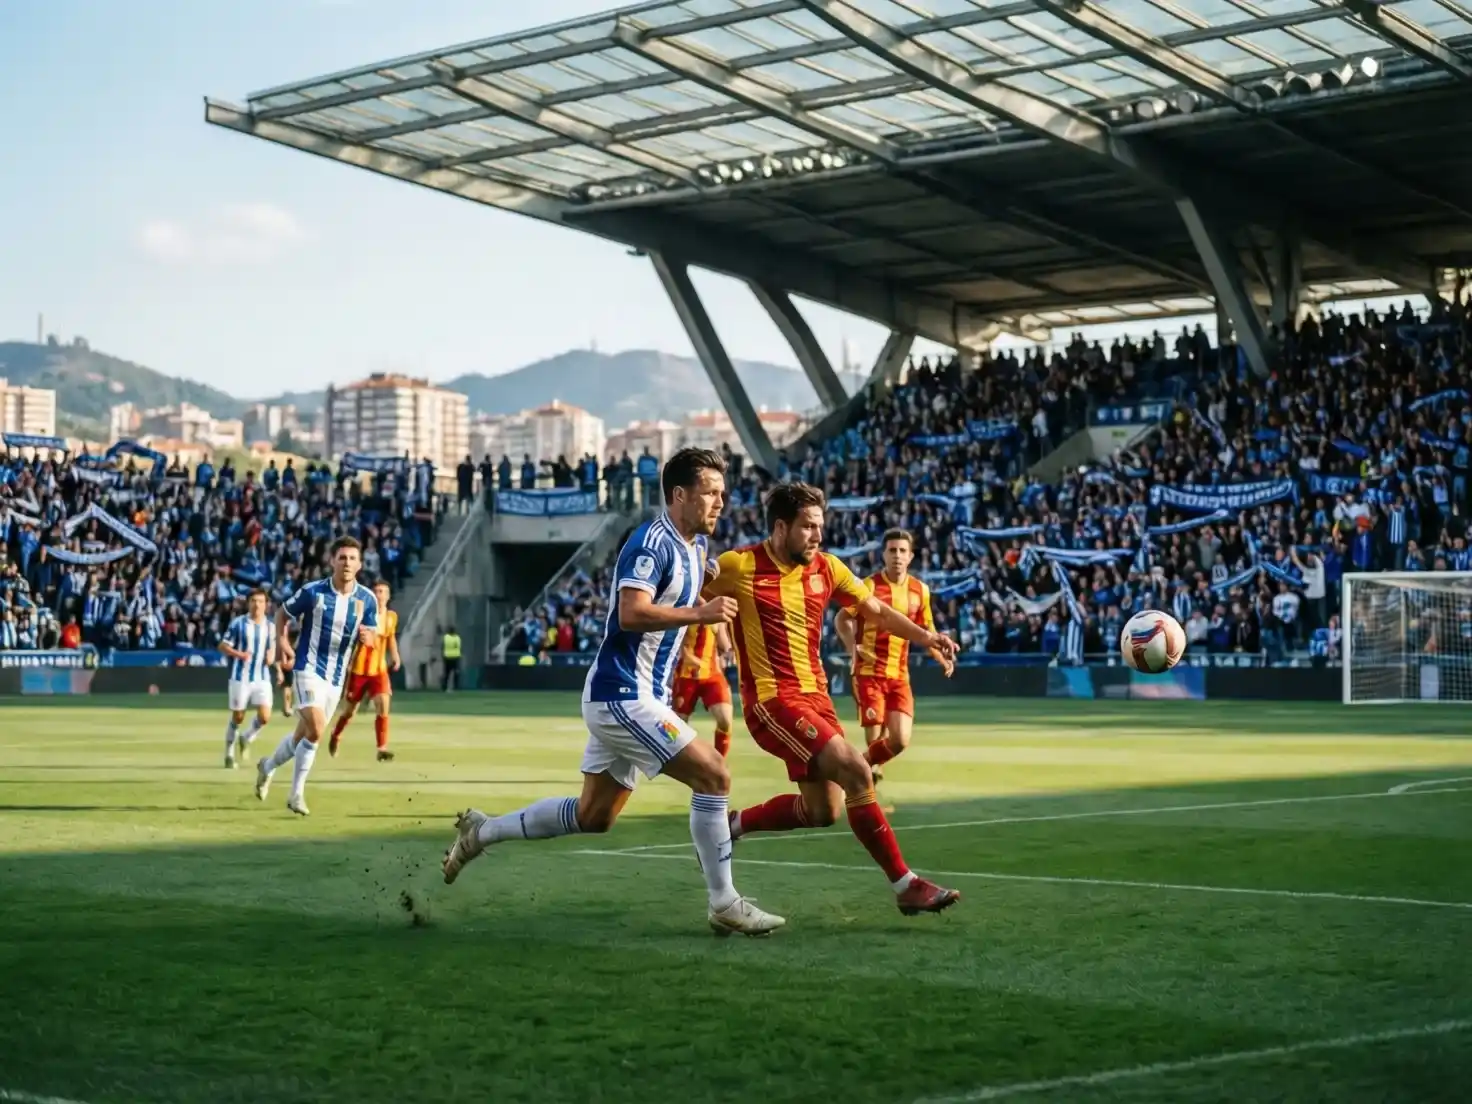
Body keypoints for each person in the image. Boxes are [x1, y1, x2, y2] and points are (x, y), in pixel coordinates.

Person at [442, 447, 784, 937]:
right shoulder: (651, 541)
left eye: (723, 493)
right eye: (710, 492)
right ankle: (723, 901)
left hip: (639, 695)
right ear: (679, 495)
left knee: (594, 815)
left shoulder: (694, 549)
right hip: (621, 692)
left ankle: (482, 831)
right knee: (714, 775)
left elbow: (681, 595)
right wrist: (699, 613)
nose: (720, 502)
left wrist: (707, 593)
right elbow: (631, 613)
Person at [703, 482, 962, 916]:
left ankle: (733, 825)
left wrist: (926, 637)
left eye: (820, 526)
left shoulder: (827, 568)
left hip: (816, 699)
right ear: (780, 527)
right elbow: (687, 585)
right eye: (808, 527)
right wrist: (697, 616)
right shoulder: (740, 564)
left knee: (823, 810)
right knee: (857, 771)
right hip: (772, 702)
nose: (817, 535)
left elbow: (875, 611)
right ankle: (906, 885)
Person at [254, 536, 378, 816]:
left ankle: (267, 767)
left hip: (336, 678)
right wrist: (282, 643)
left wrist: (369, 637)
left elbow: (371, 635)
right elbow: (282, 615)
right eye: (342, 557)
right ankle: (296, 795)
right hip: (307, 668)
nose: (346, 563)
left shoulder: (366, 600)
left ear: (359, 564)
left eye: (352, 558)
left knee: (303, 735)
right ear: (332, 561)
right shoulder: (313, 592)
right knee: (318, 728)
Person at [833, 529, 952, 794]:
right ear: (883, 555)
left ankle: (859, 766)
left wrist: (941, 657)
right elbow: (841, 619)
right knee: (874, 727)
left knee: (899, 740)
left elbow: (928, 631)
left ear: (910, 557)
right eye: (892, 550)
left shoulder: (920, 591)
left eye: (902, 551)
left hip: (899, 675)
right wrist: (853, 648)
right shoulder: (869, 587)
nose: (897, 556)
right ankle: (868, 782)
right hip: (869, 671)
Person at [327, 579, 401, 762]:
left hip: (379, 671)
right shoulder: (361, 613)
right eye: (376, 591)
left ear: (388, 596)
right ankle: (336, 735)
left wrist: (396, 656)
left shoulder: (391, 617)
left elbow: (390, 638)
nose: (379, 595)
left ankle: (381, 748)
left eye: (383, 591)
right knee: (350, 711)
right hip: (359, 670)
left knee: (383, 706)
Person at [219, 589, 275, 769]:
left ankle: (247, 737)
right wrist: (239, 654)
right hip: (240, 676)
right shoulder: (238, 623)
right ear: (248, 603)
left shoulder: (270, 627)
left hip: (262, 677)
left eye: (260, 601)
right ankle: (228, 754)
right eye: (253, 601)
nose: (257, 605)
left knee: (265, 717)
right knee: (238, 716)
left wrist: (272, 657)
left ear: (266, 605)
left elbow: (272, 649)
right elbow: (223, 645)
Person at [670, 620, 735, 758]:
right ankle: (675, 758)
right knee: (675, 728)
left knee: (725, 720)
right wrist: (693, 661)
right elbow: (678, 647)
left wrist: (729, 653)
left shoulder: (717, 612)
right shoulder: (685, 610)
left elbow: (724, 643)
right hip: (685, 676)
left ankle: (719, 762)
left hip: (712, 675)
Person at [441, 626, 461, 691]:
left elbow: (443, 646)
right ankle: (456, 686)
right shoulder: (457, 638)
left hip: (447, 657)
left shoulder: (446, 637)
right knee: (456, 672)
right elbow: (459, 647)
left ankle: (445, 687)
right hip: (455, 657)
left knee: (447, 673)